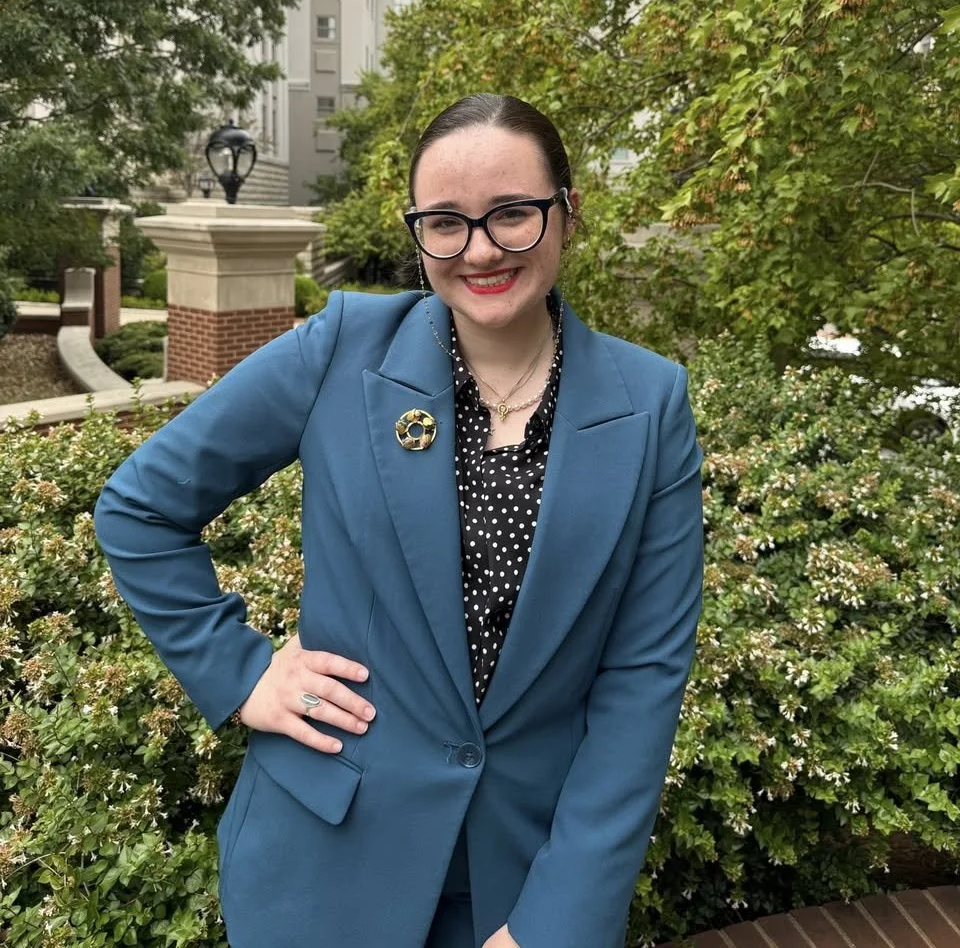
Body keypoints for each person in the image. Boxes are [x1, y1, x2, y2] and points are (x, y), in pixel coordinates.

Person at [94, 93, 703, 948]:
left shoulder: (651, 404)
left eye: (512, 215)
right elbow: (140, 507)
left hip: (522, 883)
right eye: (445, 223)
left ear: (568, 213)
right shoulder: (342, 348)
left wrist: (557, 923)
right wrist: (240, 675)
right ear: (419, 233)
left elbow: (643, 677)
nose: (480, 249)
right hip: (323, 867)